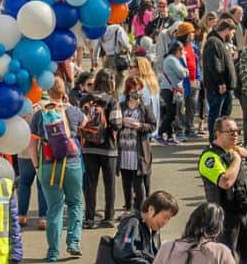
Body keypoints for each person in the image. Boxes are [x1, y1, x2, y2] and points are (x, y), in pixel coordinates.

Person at [30, 82, 86, 261]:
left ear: (47, 91)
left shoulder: (40, 113)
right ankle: (73, 242)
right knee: (75, 204)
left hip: (48, 163)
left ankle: (53, 252)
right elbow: (86, 122)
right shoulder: (72, 111)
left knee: (54, 208)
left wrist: (37, 167)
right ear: (64, 92)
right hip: (72, 162)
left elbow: (32, 146)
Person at [197, 118, 247, 264]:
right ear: (217, 134)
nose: (235, 135)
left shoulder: (236, 152)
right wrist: (237, 159)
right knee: (226, 260)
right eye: (230, 132)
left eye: (237, 132)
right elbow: (225, 182)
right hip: (225, 218)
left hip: (245, 212)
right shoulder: (210, 157)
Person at [78, 70, 122, 229]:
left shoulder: (85, 99)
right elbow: (117, 123)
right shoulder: (112, 100)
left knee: (90, 183)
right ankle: (108, 217)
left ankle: (89, 218)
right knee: (109, 183)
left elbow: (79, 121)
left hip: (88, 146)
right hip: (108, 147)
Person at [116, 79, 156, 212]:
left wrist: (140, 126)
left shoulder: (144, 107)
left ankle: (141, 210)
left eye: (139, 90)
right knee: (126, 182)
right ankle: (128, 208)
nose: (137, 93)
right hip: (124, 151)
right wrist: (121, 121)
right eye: (134, 90)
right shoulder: (121, 106)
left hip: (139, 152)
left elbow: (153, 126)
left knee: (139, 184)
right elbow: (113, 124)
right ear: (128, 91)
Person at [202, 20, 237, 137]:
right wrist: (220, 82)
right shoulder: (213, 42)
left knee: (223, 116)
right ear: (226, 30)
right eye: (232, 32)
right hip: (218, 87)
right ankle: (215, 139)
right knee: (216, 116)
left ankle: (223, 139)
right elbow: (214, 64)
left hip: (225, 87)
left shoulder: (219, 42)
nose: (232, 35)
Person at [159, 41, 188, 144]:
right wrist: (185, 69)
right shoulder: (172, 59)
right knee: (171, 114)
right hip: (170, 90)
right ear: (177, 50)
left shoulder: (169, 59)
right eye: (182, 50)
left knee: (170, 113)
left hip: (168, 89)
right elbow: (183, 74)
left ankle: (170, 136)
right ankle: (160, 132)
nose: (183, 52)